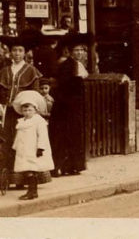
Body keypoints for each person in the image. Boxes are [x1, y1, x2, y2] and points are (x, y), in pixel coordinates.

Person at [0, 30, 44, 183]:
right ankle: (4, 179)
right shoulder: (4, 71)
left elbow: (34, 94)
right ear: (9, 52)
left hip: (23, 114)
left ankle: (22, 180)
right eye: (14, 50)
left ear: (25, 53)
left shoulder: (31, 71)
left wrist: (30, 112)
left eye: (20, 50)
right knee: (5, 143)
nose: (17, 54)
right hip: (6, 112)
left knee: (23, 145)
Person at [50, 32, 90, 176]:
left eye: (81, 50)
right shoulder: (68, 65)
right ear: (71, 52)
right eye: (76, 50)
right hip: (66, 105)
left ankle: (73, 166)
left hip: (74, 105)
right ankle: (63, 166)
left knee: (73, 135)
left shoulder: (78, 65)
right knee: (64, 135)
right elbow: (65, 85)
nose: (79, 53)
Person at [11, 90, 54, 200]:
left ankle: (32, 192)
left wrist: (40, 148)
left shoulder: (38, 121)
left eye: (30, 110)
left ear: (35, 110)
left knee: (31, 170)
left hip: (33, 150)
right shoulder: (21, 122)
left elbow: (43, 136)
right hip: (23, 150)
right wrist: (15, 147)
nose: (27, 112)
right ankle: (31, 191)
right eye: (25, 110)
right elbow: (19, 136)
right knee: (26, 170)